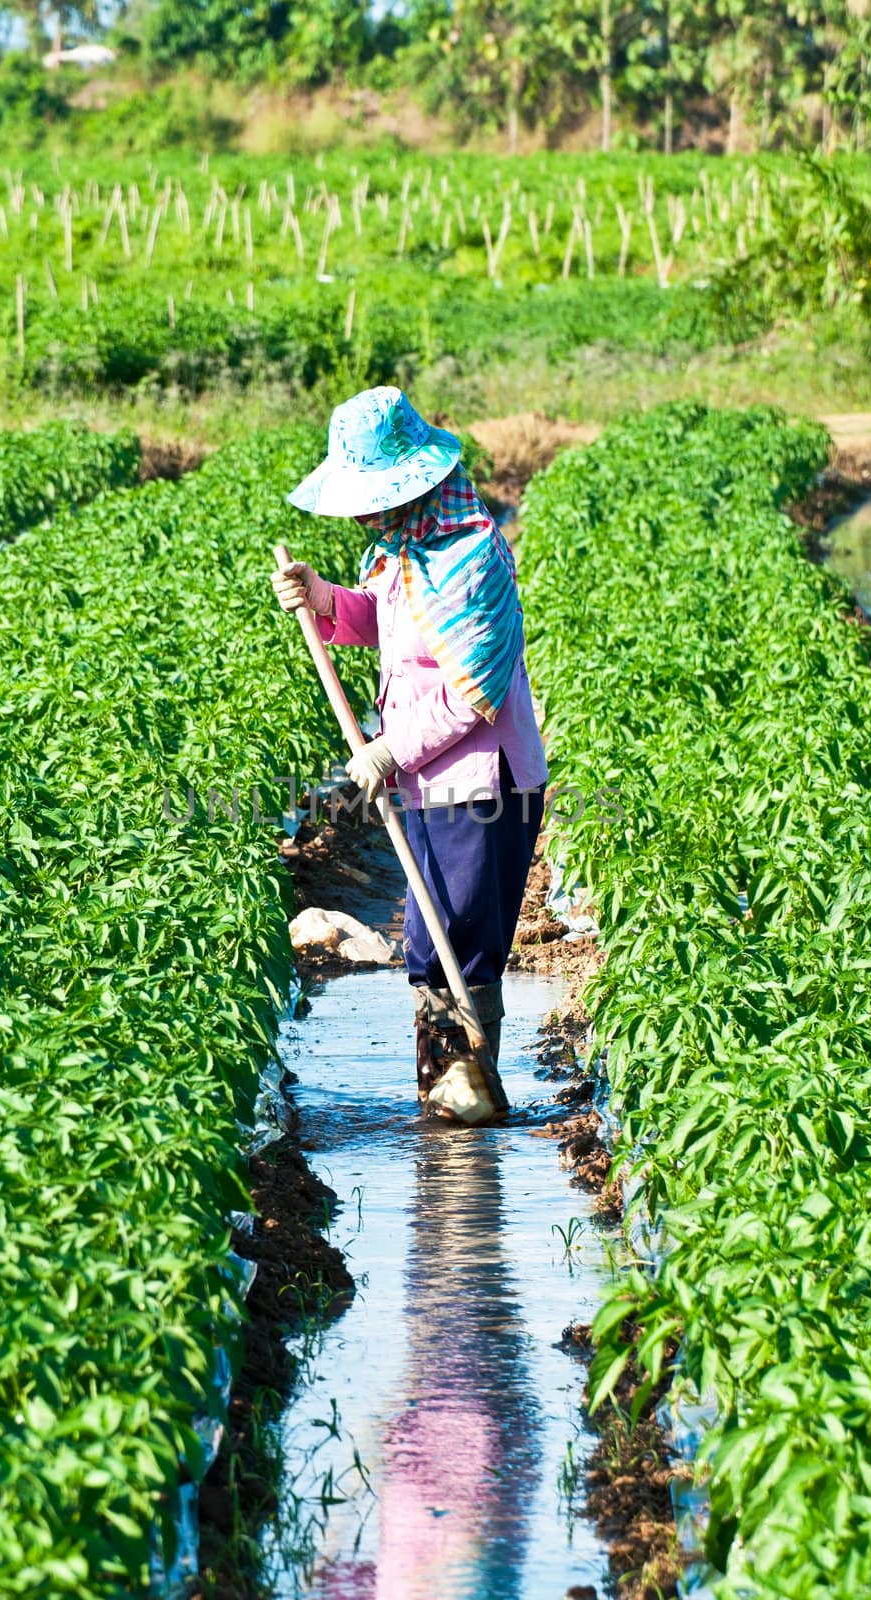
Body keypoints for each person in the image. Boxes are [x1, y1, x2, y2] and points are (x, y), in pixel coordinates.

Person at [271, 386, 547, 1119]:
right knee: (427, 946)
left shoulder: (472, 556)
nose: (361, 512)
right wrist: (324, 598)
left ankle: (471, 1109)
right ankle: (449, 1101)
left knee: (460, 944)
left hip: (484, 782)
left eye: (371, 496)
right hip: (429, 782)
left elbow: (473, 691)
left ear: (416, 485)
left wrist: (389, 750)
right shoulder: (396, 551)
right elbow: (391, 633)